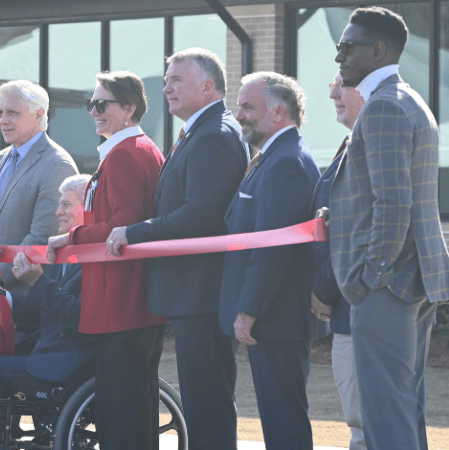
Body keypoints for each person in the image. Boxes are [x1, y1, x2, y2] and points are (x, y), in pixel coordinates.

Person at [106, 48, 246, 450]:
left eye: (176, 80)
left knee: (208, 405)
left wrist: (135, 232)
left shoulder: (215, 135)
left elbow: (201, 216)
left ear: (208, 86)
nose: (165, 87)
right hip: (190, 293)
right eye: (166, 80)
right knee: (204, 403)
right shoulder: (200, 132)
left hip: (201, 293)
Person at [328, 8, 449, 449]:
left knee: (384, 414)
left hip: (389, 285)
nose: (338, 56)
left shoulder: (383, 107)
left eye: (347, 47)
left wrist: (369, 277)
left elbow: (393, 203)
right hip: (413, 280)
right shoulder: (408, 100)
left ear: (379, 51)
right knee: (401, 406)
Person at [46, 70, 166, 450]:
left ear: (129, 108)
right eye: (91, 103)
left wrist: (72, 236)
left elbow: (123, 225)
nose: (94, 111)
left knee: (122, 412)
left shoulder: (126, 154)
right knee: (132, 407)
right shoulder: (128, 150)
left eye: (103, 103)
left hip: (121, 300)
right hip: (126, 300)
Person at [0, 174, 94, 450]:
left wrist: (37, 282)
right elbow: (44, 311)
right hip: (45, 353)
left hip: (69, 363)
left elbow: (78, 317)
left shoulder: (94, 258)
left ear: (88, 209)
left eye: (67, 205)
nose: (58, 211)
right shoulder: (65, 252)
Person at [219, 72, 326, 450]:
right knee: (278, 416)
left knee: (284, 420)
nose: (239, 114)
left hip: (276, 317)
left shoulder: (287, 162)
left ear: (278, 112)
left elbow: (272, 247)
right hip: (273, 316)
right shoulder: (273, 157)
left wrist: (248, 309)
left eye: (248, 106)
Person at [0, 79, 78, 350]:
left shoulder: (57, 164)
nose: (3, 120)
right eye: (0, 113)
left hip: (27, 305)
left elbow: (43, 236)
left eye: (13, 113)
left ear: (39, 115)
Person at [308, 72, 366, 450]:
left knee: (365, 425)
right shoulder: (350, 142)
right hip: (346, 304)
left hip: (354, 303)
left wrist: (324, 290)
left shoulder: (365, 144)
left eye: (342, 83)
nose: (332, 93)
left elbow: (355, 230)